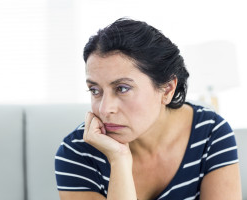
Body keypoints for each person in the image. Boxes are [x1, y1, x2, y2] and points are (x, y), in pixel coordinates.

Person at [54, 18, 242, 200]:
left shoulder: (211, 134)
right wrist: (119, 160)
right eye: (95, 90)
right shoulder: (76, 153)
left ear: (167, 89)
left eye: (122, 88)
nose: (105, 109)